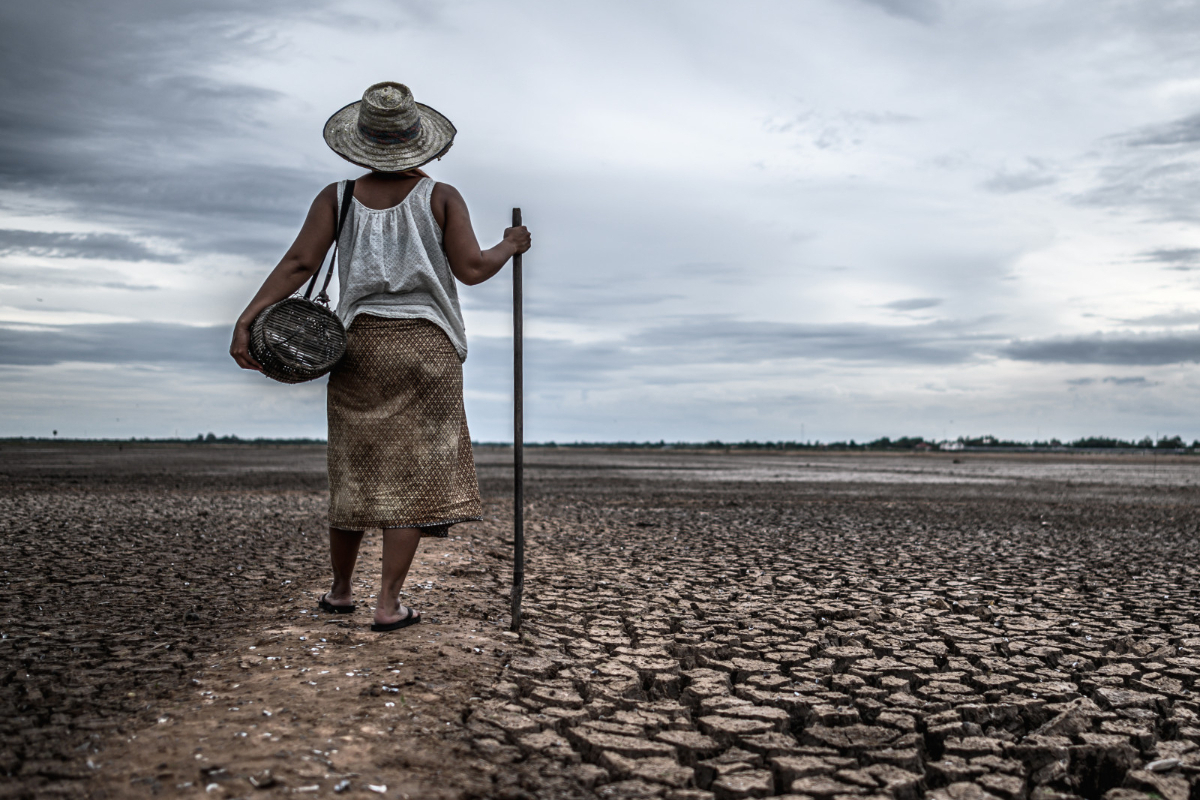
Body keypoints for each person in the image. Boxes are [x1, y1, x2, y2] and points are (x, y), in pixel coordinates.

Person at [230, 81, 530, 632]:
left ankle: (341, 591)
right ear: (422, 143)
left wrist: (249, 317)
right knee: (411, 476)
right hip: (428, 347)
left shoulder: (337, 197)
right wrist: (509, 246)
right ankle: (388, 604)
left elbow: (299, 264)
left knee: (353, 468)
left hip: (359, 346)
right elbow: (471, 269)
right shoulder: (441, 196)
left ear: (362, 143)